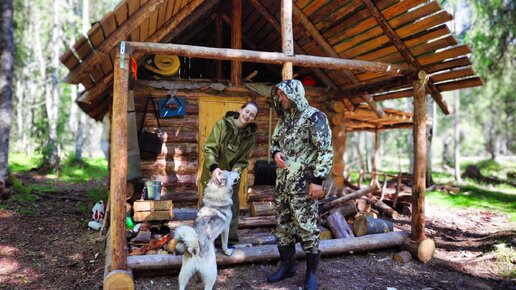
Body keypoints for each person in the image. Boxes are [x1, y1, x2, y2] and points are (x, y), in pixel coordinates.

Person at [267, 80, 333, 290]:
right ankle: (287, 267)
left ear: (294, 94)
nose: (280, 98)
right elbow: (275, 142)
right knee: (283, 227)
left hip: (304, 186)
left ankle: (311, 274)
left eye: (283, 95)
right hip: (283, 185)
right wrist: (275, 153)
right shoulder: (284, 120)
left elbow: (325, 152)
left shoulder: (314, 117)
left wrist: (317, 180)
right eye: (278, 95)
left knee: (307, 229)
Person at [199, 101, 259, 245]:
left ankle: (229, 240)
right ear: (240, 110)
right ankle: (204, 239)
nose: (248, 116)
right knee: (209, 207)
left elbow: (243, 159)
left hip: (231, 178)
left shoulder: (250, 136)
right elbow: (210, 148)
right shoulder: (222, 125)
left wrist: (235, 173)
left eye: (252, 115)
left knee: (232, 206)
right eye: (246, 111)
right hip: (214, 173)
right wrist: (214, 168)